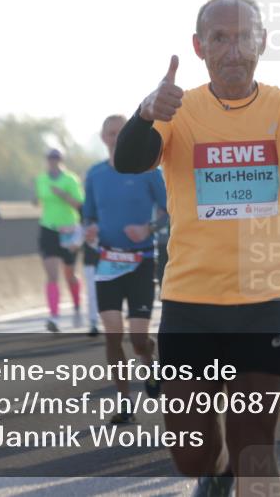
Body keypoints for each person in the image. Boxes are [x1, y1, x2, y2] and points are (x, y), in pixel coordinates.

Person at [114, 0, 280, 496]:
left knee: (254, 443)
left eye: (245, 37)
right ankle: (215, 473)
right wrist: (143, 112)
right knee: (190, 453)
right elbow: (131, 161)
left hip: (263, 301)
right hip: (189, 304)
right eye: (220, 38)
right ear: (200, 47)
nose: (234, 50)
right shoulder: (177, 108)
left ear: (262, 41)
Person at [82, 114, 167, 423]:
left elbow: (170, 211)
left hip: (142, 261)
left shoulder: (149, 172)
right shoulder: (94, 175)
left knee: (138, 338)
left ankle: (149, 357)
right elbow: (88, 216)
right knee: (112, 335)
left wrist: (149, 229)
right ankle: (124, 403)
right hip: (107, 261)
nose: (116, 138)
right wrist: (89, 229)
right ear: (103, 138)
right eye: (111, 133)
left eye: (121, 132)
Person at [33, 148, 85, 332]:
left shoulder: (70, 179)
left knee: (69, 274)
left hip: (69, 230)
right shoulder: (41, 179)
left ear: (61, 159)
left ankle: (77, 304)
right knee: (52, 275)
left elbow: (80, 204)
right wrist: (36, 201)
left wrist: (63, 195)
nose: (53, 161)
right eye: (50, 158)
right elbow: (39, 200)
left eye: (56, 158)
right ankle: (54, 316)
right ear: (47, 160)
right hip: (48, 229)